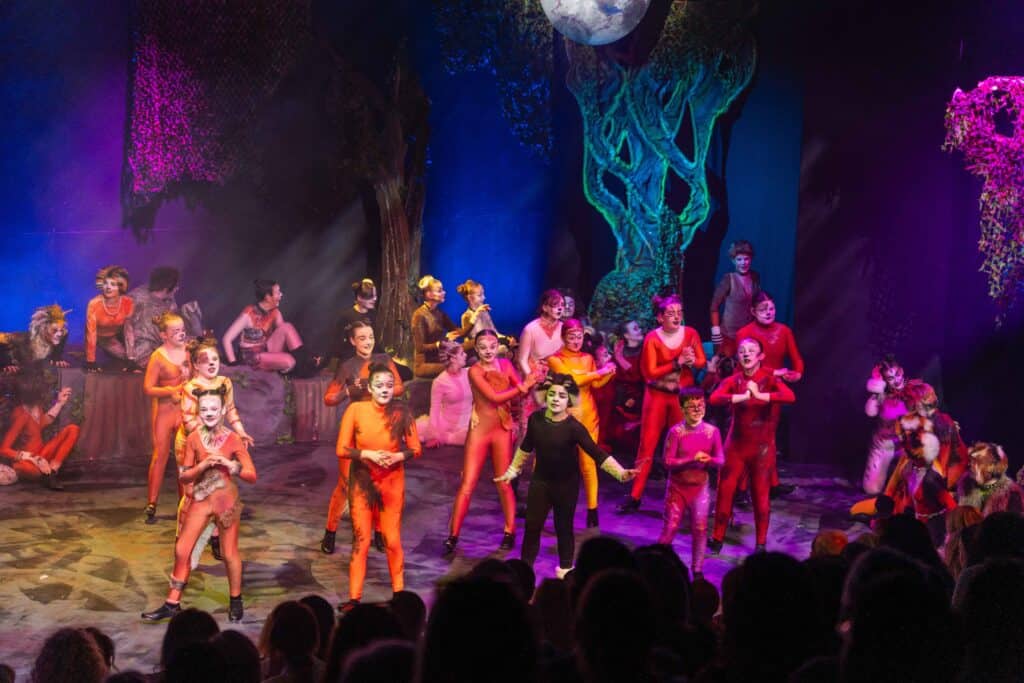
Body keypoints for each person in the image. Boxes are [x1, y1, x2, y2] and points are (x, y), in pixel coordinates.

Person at [495, 373, 636, 578]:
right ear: (546, 395)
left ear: (569, 399)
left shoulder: (574, 428)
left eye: (561, 396)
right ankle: (524, 573)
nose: (556, 399)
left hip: (566, 486)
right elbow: (525, 448)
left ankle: (565, 572)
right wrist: (511, 470)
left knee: (563, 528)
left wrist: (620, 473)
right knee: (532, 527)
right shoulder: (536, 420)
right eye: (552, 394)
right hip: (541, 482)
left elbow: (596, 453)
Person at [142, 386, 257, 623]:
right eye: (204, 409)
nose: (209, 413)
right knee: (182, 549)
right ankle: (172, 603)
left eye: (214, 408)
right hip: (202, 499)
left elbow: (251, 475)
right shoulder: (194, 438)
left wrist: (231, 465)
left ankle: (236, 600)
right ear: (199, 412)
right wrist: (202, 466)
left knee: (229, 553)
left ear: (223, 410)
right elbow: (184, 476)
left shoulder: (233, 439)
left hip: (226, 502)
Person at [336, 363, 422, 613]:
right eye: (380, 386)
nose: (385, 390)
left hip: (391, 482)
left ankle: (399, 594)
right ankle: (354, 598)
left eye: (389, 386)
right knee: (361, 541)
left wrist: (397, 457)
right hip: (362, 482)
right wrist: (367, 454)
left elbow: (415, 448)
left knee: (392, 539)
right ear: (370, 388)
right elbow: (341, 449)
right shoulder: (356, 410)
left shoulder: (402, 411)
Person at [443, 330, 538, 556]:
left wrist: (529, 384)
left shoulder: (505, 365)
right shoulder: (475, 371)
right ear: (476, 349)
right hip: (480, 431)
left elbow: (519, 394)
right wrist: (523, 386)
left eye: (492, 346)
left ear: (498, 347)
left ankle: (509, 531)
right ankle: (452, 536)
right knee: (468, 483)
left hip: (501, 430)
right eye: (483, 347)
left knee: (504, 482)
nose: (488, 351)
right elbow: (494, 398)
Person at [321, 321, 404, 555]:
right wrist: (347, 391)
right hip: (355, 428)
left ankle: (379, 532)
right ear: (352, 341)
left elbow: (399, 387)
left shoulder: (384, 360)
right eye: (362, 338)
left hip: (379, 427)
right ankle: (330, 531)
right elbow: (329, 398)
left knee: (378, 481)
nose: (368, 342)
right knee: (345, 484)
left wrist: (373, 386)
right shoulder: (348, 366)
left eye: (370, 337)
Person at [617, 294, 705, 514]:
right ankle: (635, 495)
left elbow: (702, 361)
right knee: (647, 445)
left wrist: (693, 361)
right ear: (660, 317)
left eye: (679, 312)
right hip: (656, 397)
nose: (676, 317)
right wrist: (677, 362)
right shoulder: (652, 338)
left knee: (685, 444)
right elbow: (649, 373)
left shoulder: (690, 333)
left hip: (680, 398)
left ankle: (685, 496)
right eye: (671, 313)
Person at [708, 337, 795, 554]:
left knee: (760, 495)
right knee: (724, 491)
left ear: (760, 356)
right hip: (736, 446)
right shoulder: (734, 380)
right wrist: (741, 396)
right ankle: (717, 537)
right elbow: (714, 398)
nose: (746, 354)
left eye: (751, 350)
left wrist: (760, 395)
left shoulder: (769, 379)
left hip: (761, 449)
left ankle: (761, 543)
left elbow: (789, 396)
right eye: (742, 351)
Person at [175, 337, 253, 558]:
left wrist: (240, 432)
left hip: (216, 444)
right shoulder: (191, 388)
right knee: (192, 493)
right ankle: (182, 537)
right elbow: (189, 421)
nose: (211, 363)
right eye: (205, 360)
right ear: (195, 364)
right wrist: (210, 443)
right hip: (191, 443)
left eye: (215, 359)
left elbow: (230, 409)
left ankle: (216, 537)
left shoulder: (224, 383)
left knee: (218, 488)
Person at [734, 290, 804, 498]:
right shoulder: (744, 333)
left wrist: (797, 373)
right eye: (763, 309)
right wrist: (775, 373)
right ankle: (741, 488)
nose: (768, 312)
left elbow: (797, 359)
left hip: (772, 391)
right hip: (749, 389)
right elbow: (744, 365)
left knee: (769, 438)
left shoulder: (784, 331)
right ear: (753, 311)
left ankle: (772, 484)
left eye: (771, 308)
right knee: (749, 439)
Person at [547, 319, 616, 528]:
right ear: (563, 337)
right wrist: (598, 373)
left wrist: (609, 372)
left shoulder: (587, 358)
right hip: (565, 419)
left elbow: (595, 384)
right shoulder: (555, 360)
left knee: (588, 464)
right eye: (572, 337)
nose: (576, 341)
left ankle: (592, 509)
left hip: (588, 417)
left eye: (579, 337)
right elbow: (573, 381)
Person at [656, 387, 724, 577]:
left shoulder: (712, 432)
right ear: (682, 409)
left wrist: (709, 460)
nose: (696, 410)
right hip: (677, 488)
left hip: (700, 489)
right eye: (691, 406)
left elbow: (720, 460)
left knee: (700, 529)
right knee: (670, 527)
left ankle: (698, 570)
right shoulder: (676, 432)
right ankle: (656, 563)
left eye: (700, 405)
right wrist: (691, 459)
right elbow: (667, 462)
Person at [144, 312, 191, 524]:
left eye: (182, 330)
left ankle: (185, 501)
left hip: (184, 410)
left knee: (184, 457)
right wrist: (170, 390)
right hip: (164, 412)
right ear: (164, 335)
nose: (181, 334)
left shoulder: (189, 351)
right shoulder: (158, 357)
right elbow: (148, 388)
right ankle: (152, 502)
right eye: (176, 331)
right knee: (160, 455)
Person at [221, 279, 314, 375]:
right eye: (278, 293)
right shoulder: (249, 313)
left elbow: (285, 336)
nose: (281, 294)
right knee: (289, 361)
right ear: (268, 297)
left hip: (265, 350)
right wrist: (234, 365)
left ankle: (304, 364)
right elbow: (226, 339)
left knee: (287, 327)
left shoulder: (275, 312)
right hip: (250, 358)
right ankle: (297, 366)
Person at [0, 377, 77, 489]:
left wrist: (60, 403)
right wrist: (33, 458)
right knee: (31, 471)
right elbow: (4, 450)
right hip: (28, 461)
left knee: (73, 429)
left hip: (43, 453)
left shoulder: (37, 407)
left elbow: (42, 423)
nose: (44, 395)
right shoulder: (21, 414)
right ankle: (47, 476)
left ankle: (52, 472)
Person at [125, 266, 204, 367]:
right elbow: (127, 326)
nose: (177, 289)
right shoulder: (136, 298)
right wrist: (130, 356)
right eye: (176, 286)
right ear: (166, 289)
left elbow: (173, 321)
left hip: (165, 340)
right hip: (145, 346)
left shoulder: (169, 300)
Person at [862, 354, 911, 494]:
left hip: (907, 445)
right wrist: (876, 391)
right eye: (890, 378)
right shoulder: (881, 396)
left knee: (912, 490)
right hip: (884, 445)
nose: (896, 380)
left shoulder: (913, 392)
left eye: (898, 374)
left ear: (902, 371)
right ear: (884, 381)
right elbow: (870, 412)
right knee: (871, 489)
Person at [416, 340, 472, 447]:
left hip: (468, 422)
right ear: (453, 358)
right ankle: (446, 437)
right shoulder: (439, 382)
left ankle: (445, 438)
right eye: (462, 353)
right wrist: (432, 434)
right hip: (447, 424)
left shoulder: (469, 373)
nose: (465, 355)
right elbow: (435, 410)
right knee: (413, 430)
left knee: (476, 435)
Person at [709, 239, 759, 349]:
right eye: (739, 259)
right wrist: (716, 332)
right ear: (733, 261)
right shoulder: (728, 279)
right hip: (728, 335)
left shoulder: (755, 277)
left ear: (751, 259)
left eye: (746, 259)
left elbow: (756, 302)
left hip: (748, 333)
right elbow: (714, 307)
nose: (743, 263)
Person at [85, 265, 134, 371]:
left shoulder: (128, 302)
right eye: (105, 283)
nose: (108, 287)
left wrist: (131, 358)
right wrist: (90, 361)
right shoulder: (94, 304)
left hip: (115, 337)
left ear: (120, 287)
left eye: (113, 284)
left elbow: (128, 331)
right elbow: (91, 333)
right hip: (99, 338)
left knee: (134, 359)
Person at [410, 275, 459, 378]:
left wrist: (473, 316)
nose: (444, 292)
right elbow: (420, 348)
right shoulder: (419, 315)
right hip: (425, 364)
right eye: (440, 291)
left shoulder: (439, 313)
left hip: (440, 358)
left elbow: (457, 331)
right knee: (454, 367)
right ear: (429, 294)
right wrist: (441, 343)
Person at [0, 304, 71, 373]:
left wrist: (56, 358)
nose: (60, 334)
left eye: (61, 330)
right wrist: (6, 362)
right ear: (43, 329)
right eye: (54, 330)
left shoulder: (60, 337)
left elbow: (65, 334)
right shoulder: (23, 339)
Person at [957, 442, 1022, 516]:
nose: (971, 464)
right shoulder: (966, 489)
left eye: (978, 461)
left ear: (992, 466)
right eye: (971, 460)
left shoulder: (1012, 495)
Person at [329, 278, 379, 365]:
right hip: (351, 360)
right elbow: (336, 342)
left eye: (375, 296)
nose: (375, 299)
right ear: (359, 297)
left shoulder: (373, 314)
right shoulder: (346, 316)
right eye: (370, 296)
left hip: (369, 357)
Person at [455, 279, 514, 350]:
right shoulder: (466, 316)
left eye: (483, 294)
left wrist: (507, 338)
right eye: (480, 295)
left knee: (512, 341)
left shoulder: (484, 312)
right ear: (470, 298)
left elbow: (494, 332)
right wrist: (503, 341)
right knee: (503, 348)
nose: (484, 297)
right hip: (479, 348)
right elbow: (475, 340)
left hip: (491, 342)